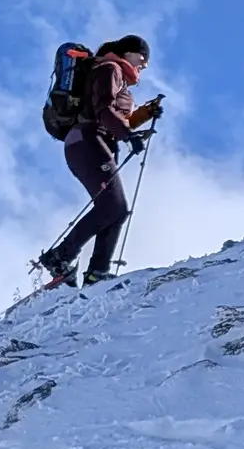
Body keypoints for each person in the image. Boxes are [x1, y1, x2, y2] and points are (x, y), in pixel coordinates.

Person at [37, 35, 162, 287]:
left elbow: (109, 116)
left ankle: (97, 273)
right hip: (88, 142)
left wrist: (144, 115)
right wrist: (128, 136)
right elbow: (103, 111)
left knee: (115, 210)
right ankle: (61, 257)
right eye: (142, 57)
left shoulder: (113, 73)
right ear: (128, 52)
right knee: (114, 207)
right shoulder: (109, 68)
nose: (145, 64)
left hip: (90, 143)